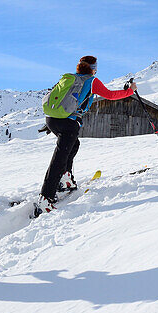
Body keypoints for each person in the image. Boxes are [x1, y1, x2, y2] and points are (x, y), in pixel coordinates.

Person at [36, 56, 134, 216]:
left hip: (52, 120)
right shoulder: (91, 81)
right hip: (69, 123)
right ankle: (45, 198)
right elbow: (109, 95)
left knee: (73, 146)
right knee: (59, 158)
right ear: (93, 68)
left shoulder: (70, 78)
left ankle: (65, 178)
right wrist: (130, 91)